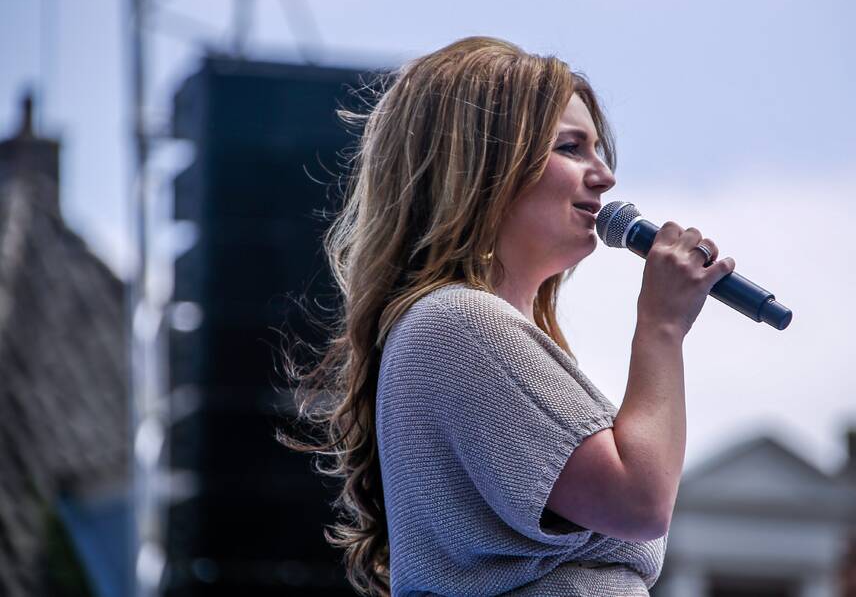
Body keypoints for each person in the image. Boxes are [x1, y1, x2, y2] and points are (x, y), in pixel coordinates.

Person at [280, 36, 735, 596]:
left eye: (599, 150)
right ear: (482, 165)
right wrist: (663, 325)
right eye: (571, 148)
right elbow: (638, 500)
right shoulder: (456, 324)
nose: (604, 175)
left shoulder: (467, 327)